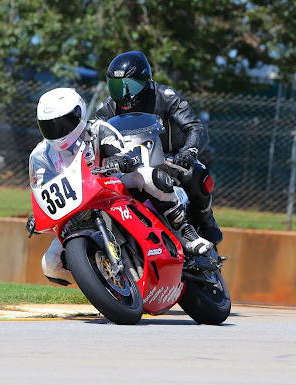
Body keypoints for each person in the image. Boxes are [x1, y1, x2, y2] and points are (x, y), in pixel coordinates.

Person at [27, 87, 213, 285]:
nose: (58, 132)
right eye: (50, 126)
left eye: (64, 124)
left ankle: (184, 230)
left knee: (150, 177)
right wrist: (39, 214)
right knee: (50, 264)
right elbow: (44, 189)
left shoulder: (98, 129)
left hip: (112, 189)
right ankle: (99, 283)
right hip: (77, 210)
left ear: (79, 115)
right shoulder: (41, 155)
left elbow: (124, 152)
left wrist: (120, 159)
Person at [95, 50, 223, 245]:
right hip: (129, 165)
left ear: (145, 81)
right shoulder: (106, 109)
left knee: (196, 175)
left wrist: (188, 151)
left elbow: (195, 127)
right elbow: (94, 139)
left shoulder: (167, 97)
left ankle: (206, 221)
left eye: (130, 85)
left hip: (171, 160)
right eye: (117, 86)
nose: (124, 93)